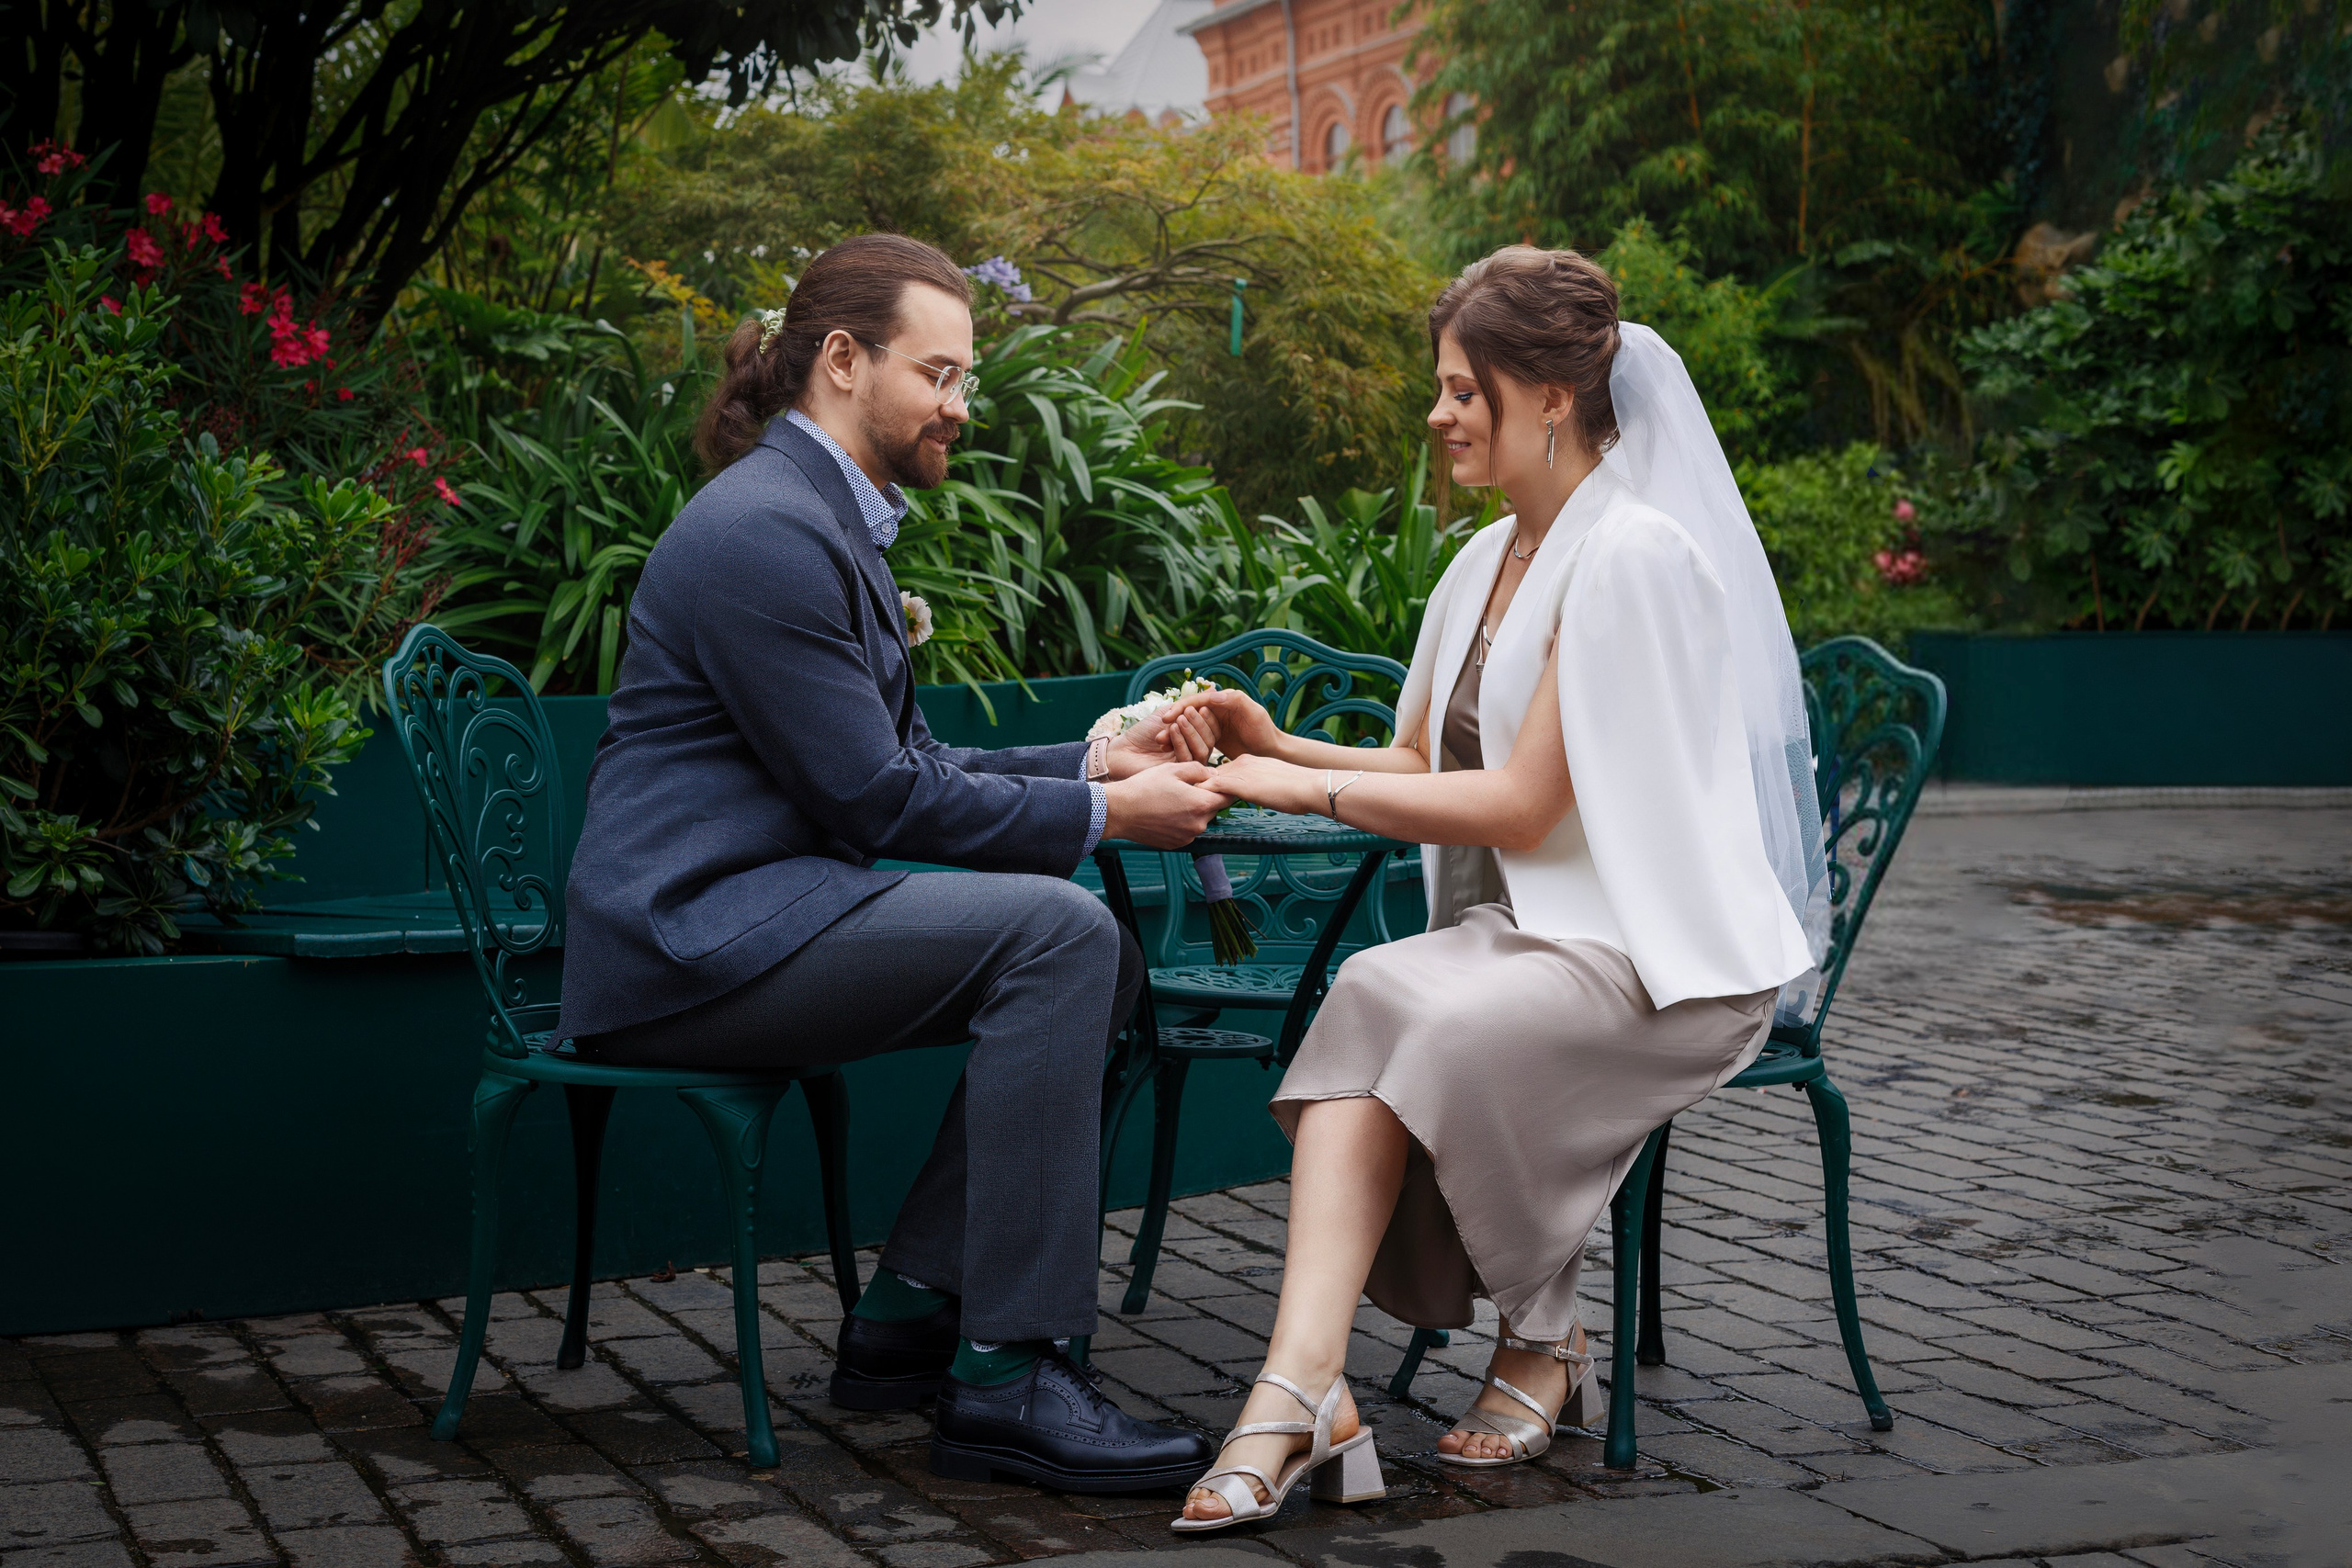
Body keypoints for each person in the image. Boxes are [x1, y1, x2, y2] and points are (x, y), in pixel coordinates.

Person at [1158, 246, 1824, 1529]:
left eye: (1466, 389)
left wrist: (1287, 795)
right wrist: (1275, 741)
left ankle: (1538, 1333)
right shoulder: (1483, 561)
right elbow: (1419, 759)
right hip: (1530, 939)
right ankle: (1301, 1389)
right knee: (1379, 990)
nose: (1440, 412)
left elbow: (1521, 803)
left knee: (1429, 1012)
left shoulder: (1633, 558)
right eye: (1444, 387)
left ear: (1555, 398)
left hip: (1661, 960)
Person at [553, 233, 1227, 1494]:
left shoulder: (815, 516)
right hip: (689, 944)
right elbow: (875, 795)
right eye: (941, 373)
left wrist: (1099, 763)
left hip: (763, 911)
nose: (961, 406)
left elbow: (902, 754)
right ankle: (1007, 1376)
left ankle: (912, 1311)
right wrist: (1109, 826)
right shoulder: (764, 533)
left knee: (1100, 953)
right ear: (844, 362)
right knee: (1063, 932)